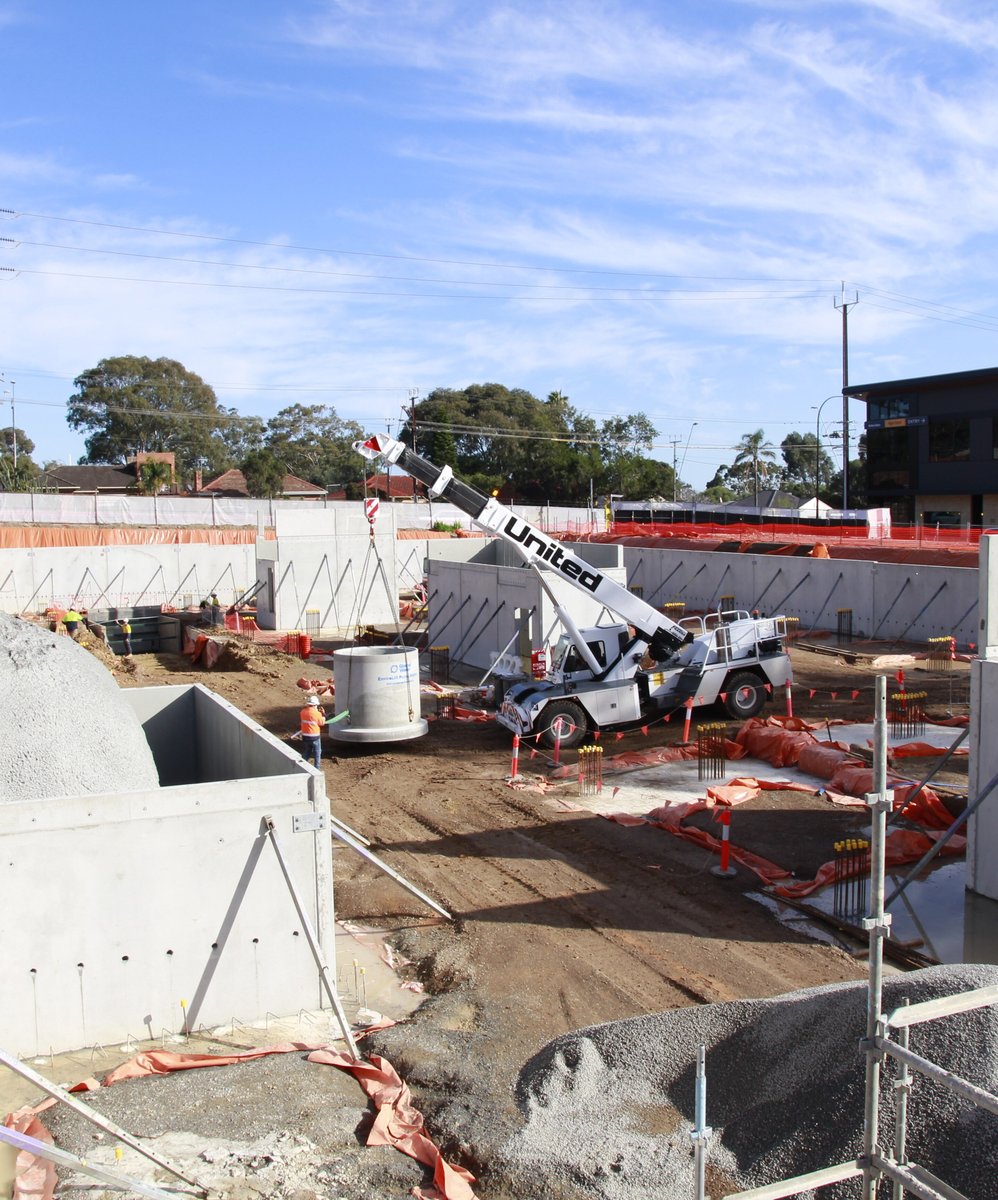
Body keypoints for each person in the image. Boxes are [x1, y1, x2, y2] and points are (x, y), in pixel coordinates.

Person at [299, 695, 326, 768]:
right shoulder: (317, 714)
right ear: (315, 705)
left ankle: (301, 766)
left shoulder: (302, 712)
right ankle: (316, 769)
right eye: (316, 705)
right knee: (317, 753)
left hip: (305, 736)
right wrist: (323, 714)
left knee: (307, 751)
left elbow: (310, 717)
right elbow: (322, 723)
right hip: (315, 737)